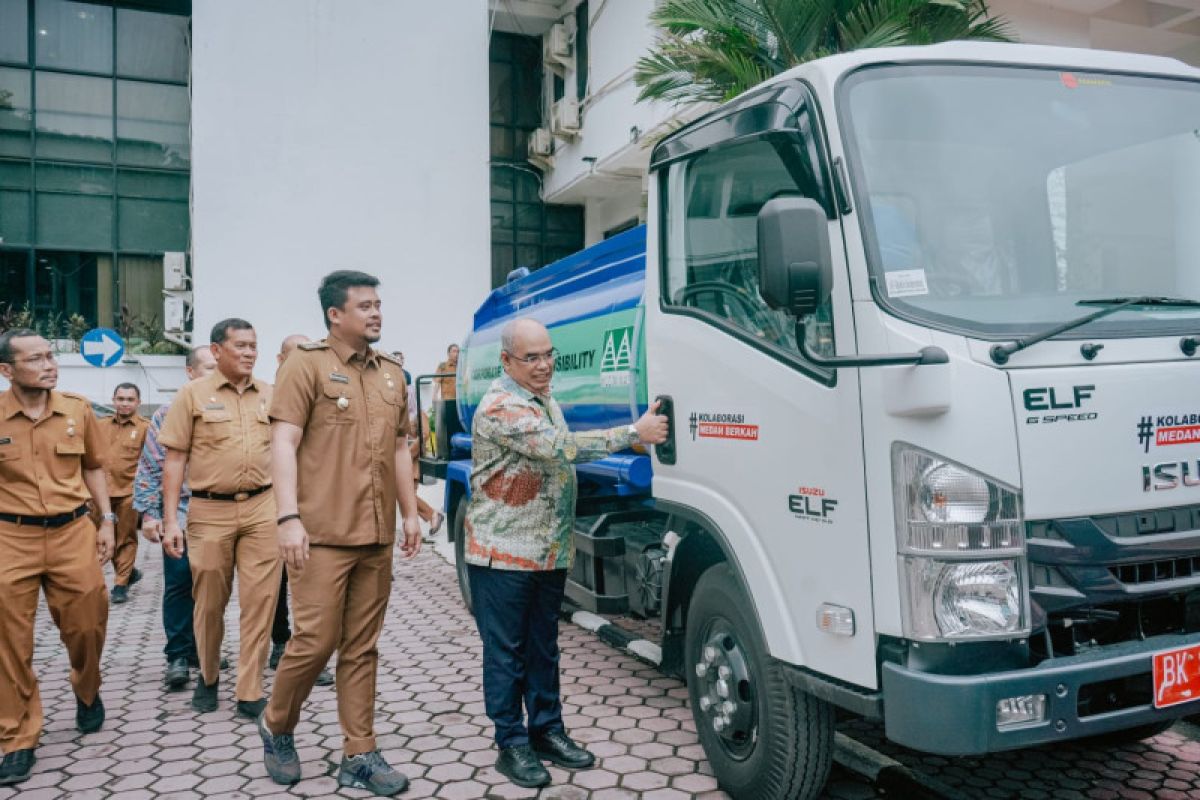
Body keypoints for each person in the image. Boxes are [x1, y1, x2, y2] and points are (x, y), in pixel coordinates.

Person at [464, 318, 668, 789]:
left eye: (548, 354)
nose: (544, 365)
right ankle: (511, 744)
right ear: (507, 362)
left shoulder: (543, 398)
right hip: (503, 556)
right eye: (531, 358)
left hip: (545, 553)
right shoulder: (501, 406)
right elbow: (562, 448)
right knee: (506, 654)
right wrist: (634, 432)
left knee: (543, 649)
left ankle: (547, 731)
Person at [258, 270, 421, 796]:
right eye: (364, 306)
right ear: (335, 314)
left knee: (361, 647)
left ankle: (360, 752)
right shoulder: (306, 366)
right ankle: (277, 724)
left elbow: (400, 448)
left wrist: (411, 512)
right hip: (321, 532)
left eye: (378, 304)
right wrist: (287, 518)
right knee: (314, 642)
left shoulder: (393, 373)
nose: (376, 313)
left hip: (375, 535)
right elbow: (283, 443)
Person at [0, 329, 114, 786]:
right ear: (7, 370)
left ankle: (87, 689)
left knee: (88, 624)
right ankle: (17, 736)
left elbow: (93, 466)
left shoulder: (77, 409)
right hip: (11, 535)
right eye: (36, 359)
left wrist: (107, 520)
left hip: (72, 532)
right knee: (9, 642)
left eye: (50, 355)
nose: (49, 364)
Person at [159, 319, 281, 718]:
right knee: (209, 601)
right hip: (209, 510)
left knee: (261, 601)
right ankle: (208, 676)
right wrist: (170, 521)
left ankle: (249, 689)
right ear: (216, 351)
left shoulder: (270, 395)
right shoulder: (192, 396)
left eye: (253, 345)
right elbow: (174, 459)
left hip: (263, 508)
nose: (249, 353)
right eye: (240, 345)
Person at [134, 346, 217, 689]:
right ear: (191, 372)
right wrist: (150, 516)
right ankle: (179, 655)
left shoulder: (237, 409)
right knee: (180, 580)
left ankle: (204, 649)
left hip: (222, 509)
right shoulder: (168, 414)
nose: (216, 374)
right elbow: (151, 467)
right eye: (210, 367)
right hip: (181, 509)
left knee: (213, 584)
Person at [269, 334, 333, 688]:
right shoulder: (268, 393)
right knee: (276, 582)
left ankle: (309, 649)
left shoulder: (321, 393)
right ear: (281, 360)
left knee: (307, 581)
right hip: (274, 504)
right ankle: (281, 641)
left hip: (311, 503)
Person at [95, 382, 149, 604]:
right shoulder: (100, 425)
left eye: (129, 399)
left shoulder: (146, 428)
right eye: (120, 399)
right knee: (102, 539)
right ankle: (129, 572)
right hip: (100, 494)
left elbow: (150, 463)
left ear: (138, 402)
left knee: (125, 539)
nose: (124, 403)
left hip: (129, 492)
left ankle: (120, 585)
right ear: (113, 400)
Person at [432, 343, 459, 456]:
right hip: (447, 404)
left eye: (458, 351)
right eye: (454, 351)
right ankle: (445, 454)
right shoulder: (443, 366)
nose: (457, 354)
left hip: (459, 404)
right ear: (448, 353)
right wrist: (434, 400)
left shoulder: (462, 366)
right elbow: (437, 383)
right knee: (446, 431)